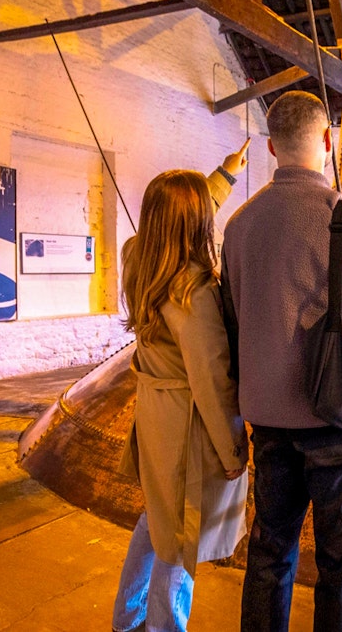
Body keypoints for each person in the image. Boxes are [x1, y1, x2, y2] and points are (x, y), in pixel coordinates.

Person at [220, 91, 342, 631]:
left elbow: (232, 326)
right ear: (328, 140)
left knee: (269, 555)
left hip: (267, 423)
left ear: (270, 148)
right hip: (340, 424)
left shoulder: (238, 227)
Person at [112, 142, 251, 632]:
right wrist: (233, 450)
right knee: (181, 537)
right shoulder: (192, 290)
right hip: (187, 427)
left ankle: (125, 619)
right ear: (195, 225)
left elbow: (177, 215)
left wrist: (225, 175)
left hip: (154, 414)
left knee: (157, 520)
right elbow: (211, 381)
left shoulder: (138, 257)